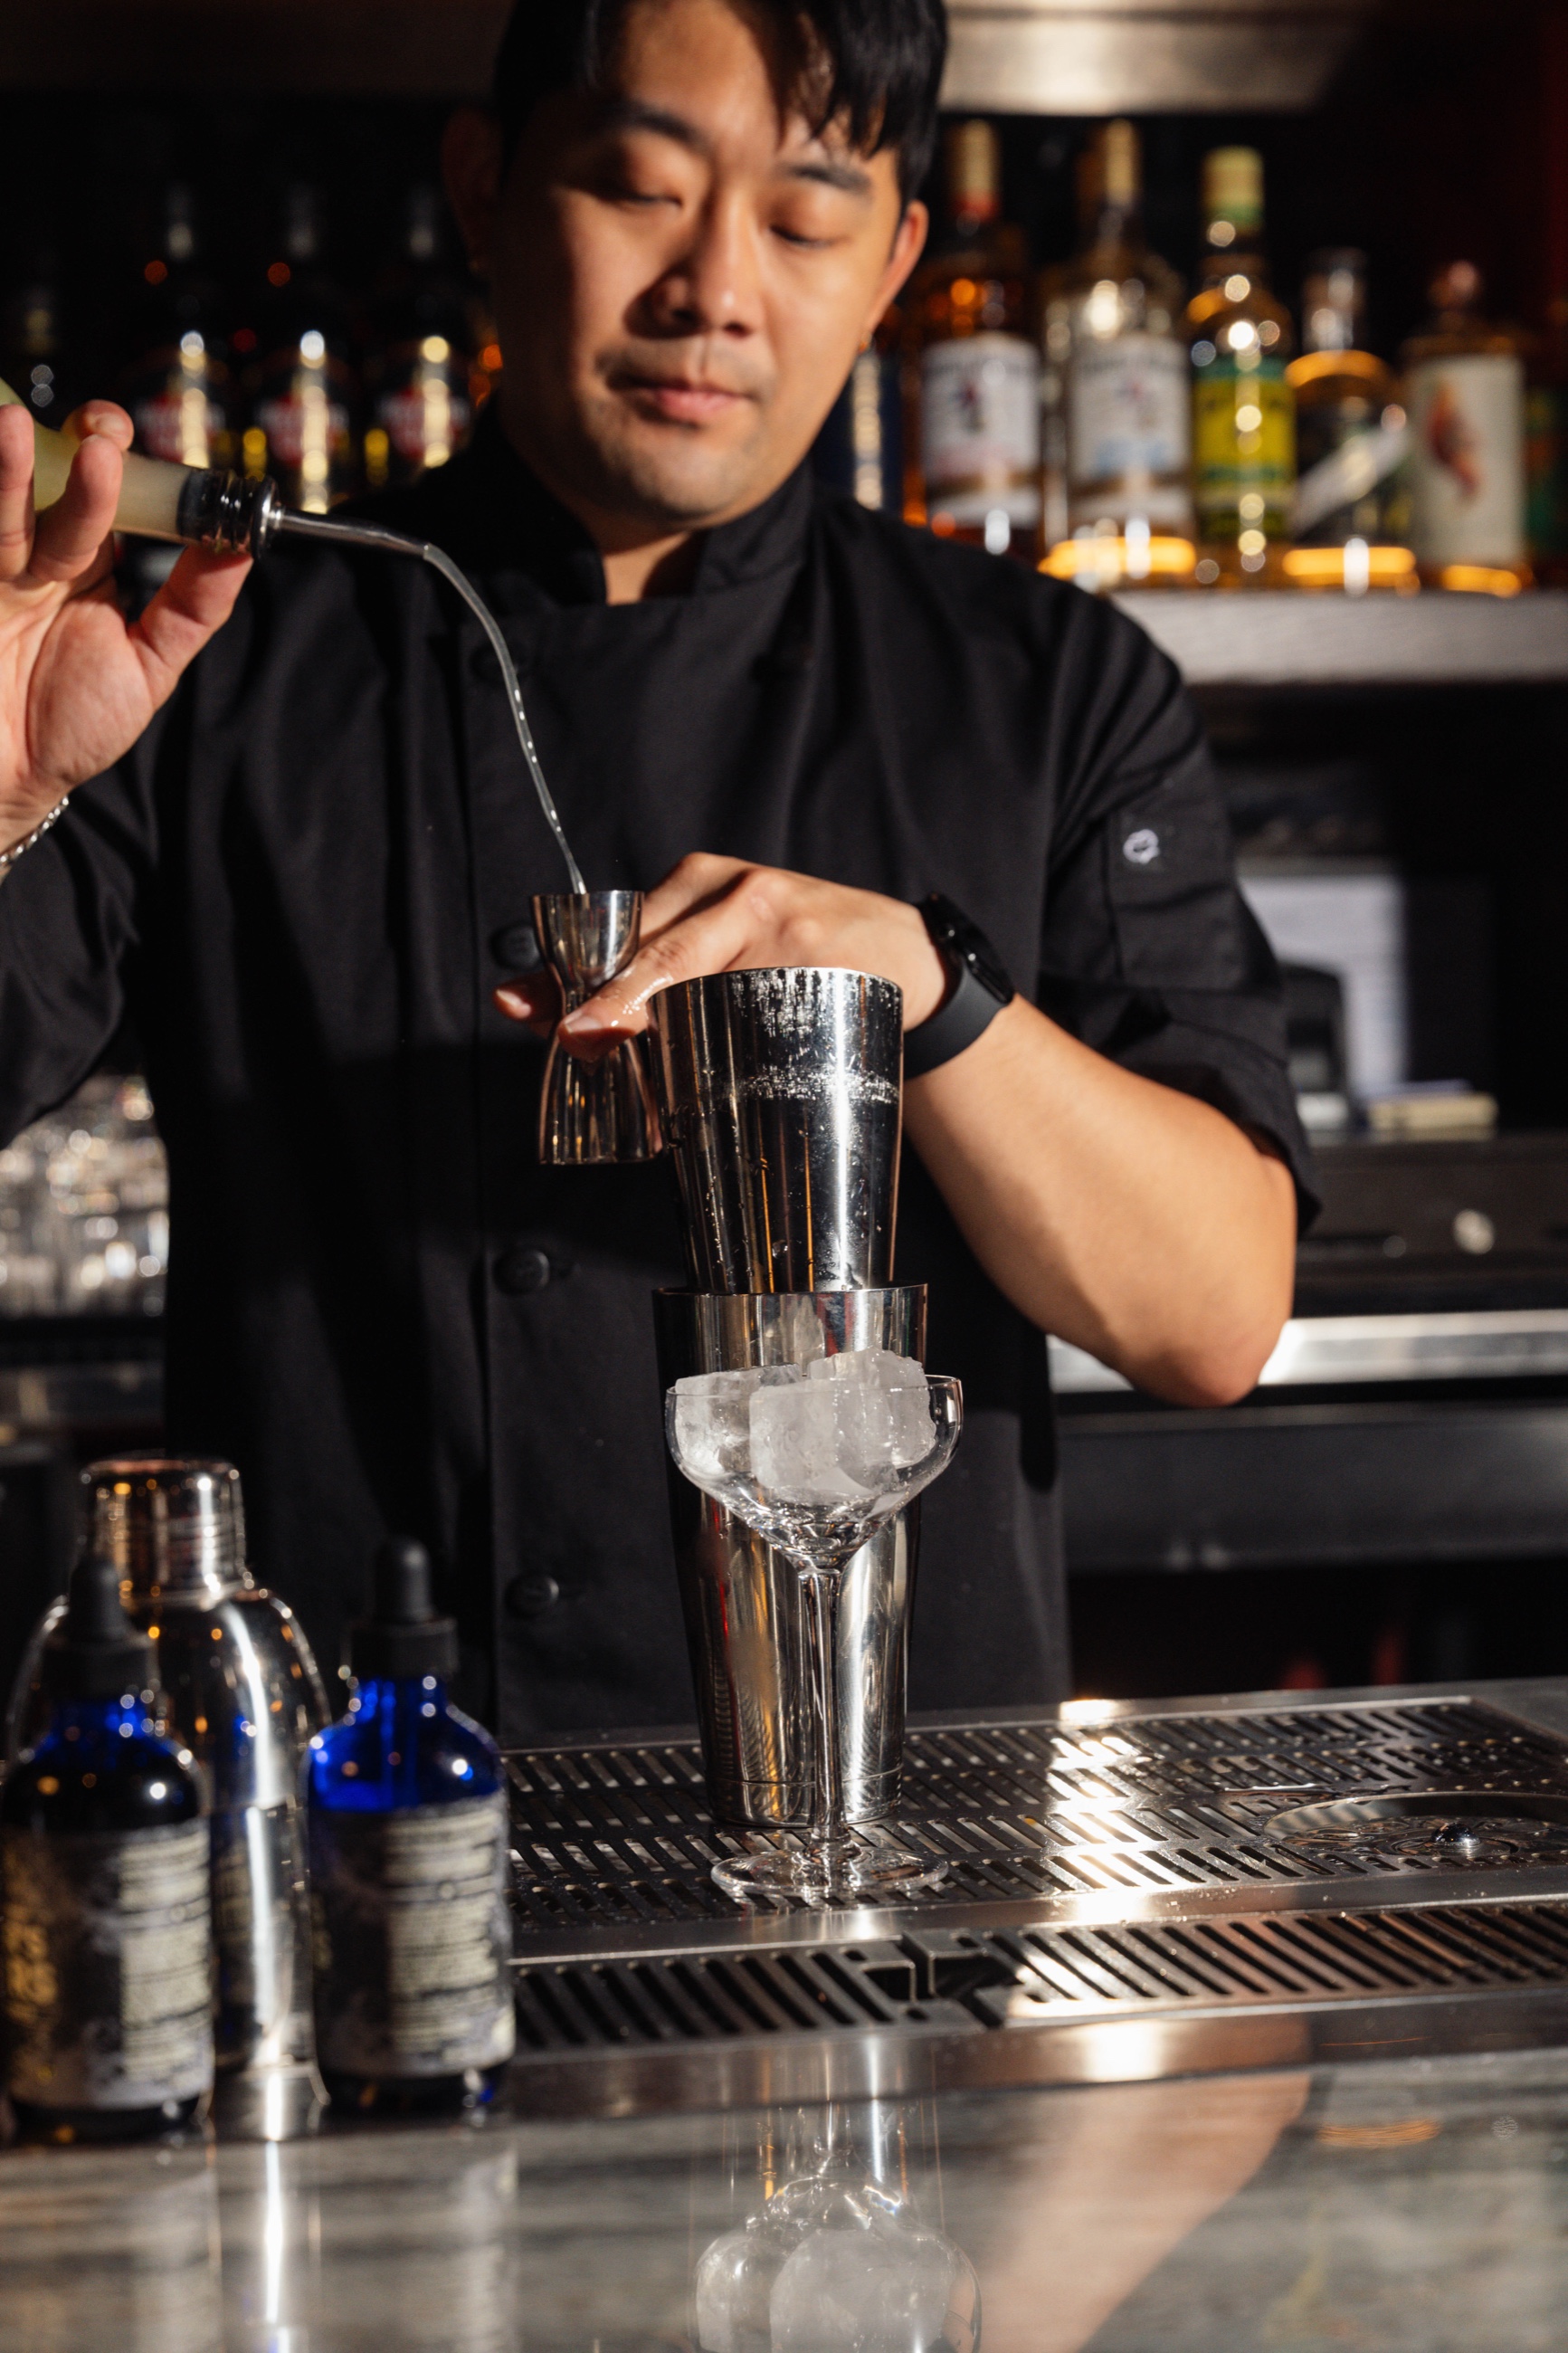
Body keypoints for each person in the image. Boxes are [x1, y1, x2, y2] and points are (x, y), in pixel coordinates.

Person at [0, 0, 1312, 1737]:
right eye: (637, 183)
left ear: (897, 253)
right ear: (484, 188)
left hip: (905, 1853)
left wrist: (923, 985)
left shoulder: (1049, 685)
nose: (716, 285)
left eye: (805, 214)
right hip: (357, 1813)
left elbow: (1211, 1315)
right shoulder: (213, 656)